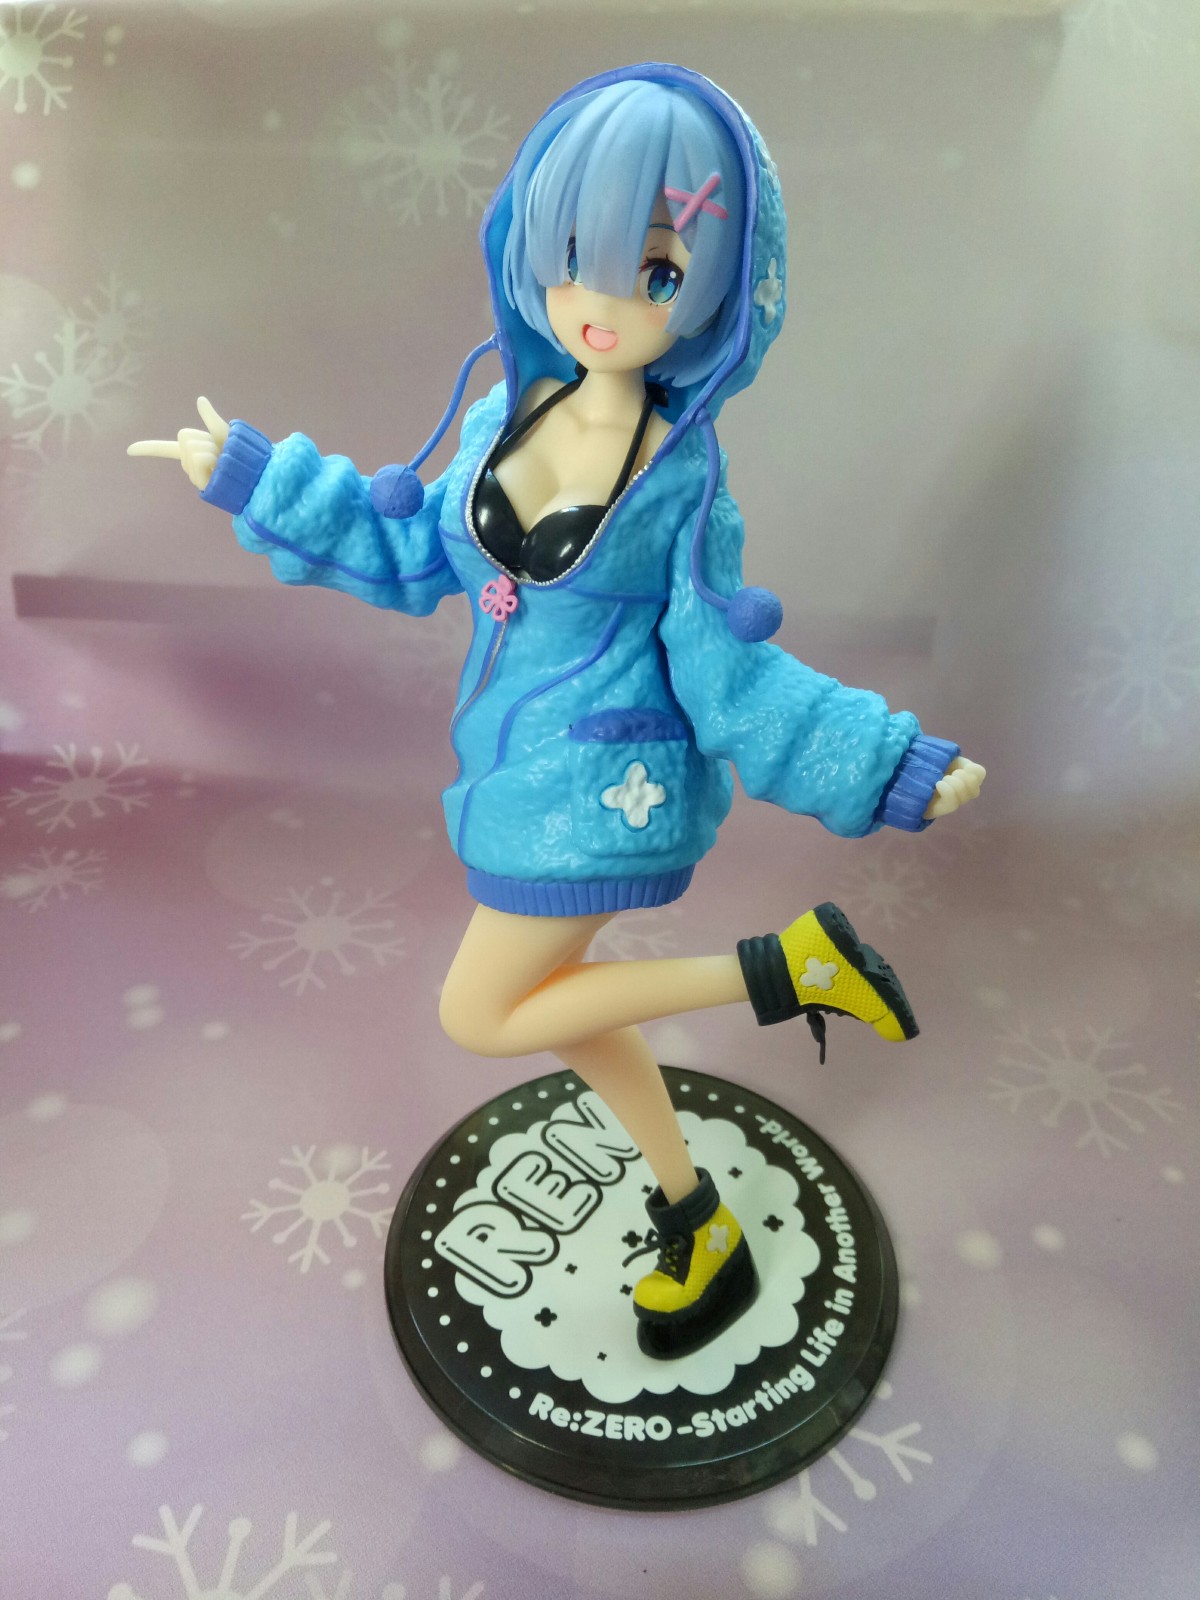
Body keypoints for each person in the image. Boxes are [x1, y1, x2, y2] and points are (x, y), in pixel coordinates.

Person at [130, 64, 985, 1359]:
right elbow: (408, 551)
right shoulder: (506, 413)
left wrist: (885, 761)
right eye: (574, 256)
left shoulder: (680, 483)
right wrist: (255, 478)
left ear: (717, 290)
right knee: (576, 1012)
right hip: (507, 770)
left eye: (656, 271)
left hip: (601, 794)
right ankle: (696, 1213)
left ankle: (787, 969)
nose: (601, 303)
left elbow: (729, 668)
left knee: (481, 1013)